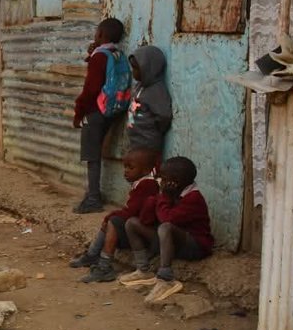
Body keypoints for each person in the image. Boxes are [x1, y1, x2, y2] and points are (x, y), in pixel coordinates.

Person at [119, 156, 214, 304]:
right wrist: (154, 199)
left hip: (195, 246)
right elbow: (146, 220)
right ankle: (143, 270)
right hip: (172, 242)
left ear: (175, 182)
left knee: (165, 227)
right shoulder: (172, 193)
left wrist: (164, 196)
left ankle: (166, 278)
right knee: (132, 223)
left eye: (162, 178)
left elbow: (166, 219)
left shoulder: (193, 198)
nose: (159, 181)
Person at [69, 147, 159, 282]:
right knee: (112, 220)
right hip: (136, 230)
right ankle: (93, 255)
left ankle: (104, 267)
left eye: (131, 168)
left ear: (145, 170)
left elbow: (132, 212)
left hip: (142, 236)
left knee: (114, 221)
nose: (126, 171)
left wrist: (110, 216)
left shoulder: (147, 185)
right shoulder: (141, 183)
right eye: (125, 167)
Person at [72, 18, 131, 214]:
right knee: (96, 153)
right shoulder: (117, 54)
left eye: (97, 33)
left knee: (92, 156)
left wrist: (79, 112)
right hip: (112, 110)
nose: (94, 36)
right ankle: (93, 194)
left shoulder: (100, 57)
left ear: (101, 35)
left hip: (95, 111)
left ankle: (93, 198)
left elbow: (91, 89)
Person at [126, 45, 173, 165]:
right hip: (136, 140)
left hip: (148, 143)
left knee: (146, 172)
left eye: (136, 68)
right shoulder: (140, 86)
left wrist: (153, 130)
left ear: (149, 69)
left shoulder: (156, 91)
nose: (133, 72)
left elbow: (164, 116)